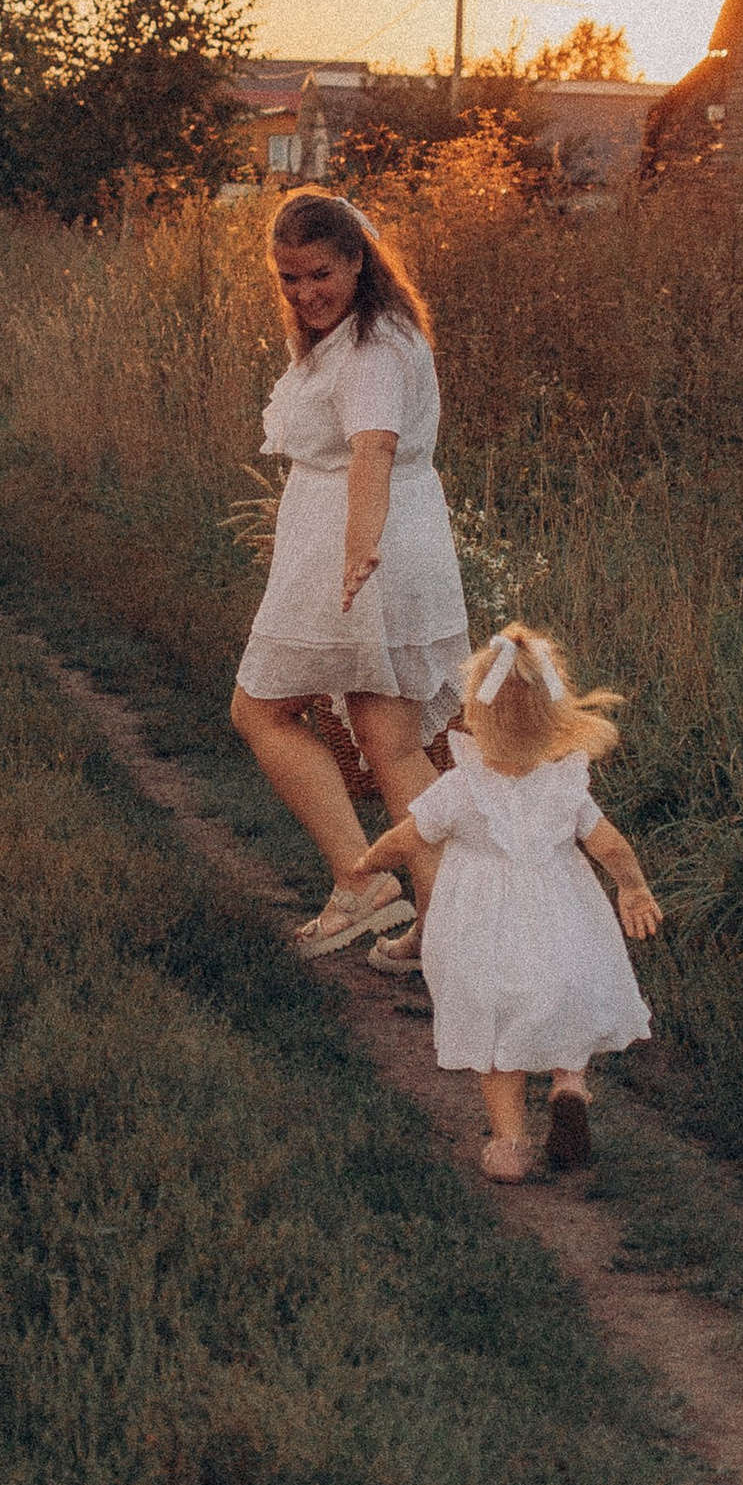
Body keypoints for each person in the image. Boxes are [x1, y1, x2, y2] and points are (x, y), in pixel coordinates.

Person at [230, 189, 473, 957]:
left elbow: (373, 449)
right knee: (392, 745)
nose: (306, 294)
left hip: (361, 555)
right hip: (398, 545)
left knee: (260, 711)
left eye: (321, 274)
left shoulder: (369, 349)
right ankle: (452, 930)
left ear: (358, 260)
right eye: (290, 278)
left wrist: (360, 547)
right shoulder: (379, 329)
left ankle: (360, 881)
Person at [349, 621, 660, 1179]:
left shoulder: (461, 787)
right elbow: (610, 846)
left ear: (472, 713)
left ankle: (511, 1144)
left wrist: (368, 862)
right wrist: (633, 888)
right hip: (562, 920)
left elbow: (408, 839)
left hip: (483, 931)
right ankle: (569, 1086)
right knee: (563, 1001)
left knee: (494, 1025)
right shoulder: (566, 785)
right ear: (556, 718)